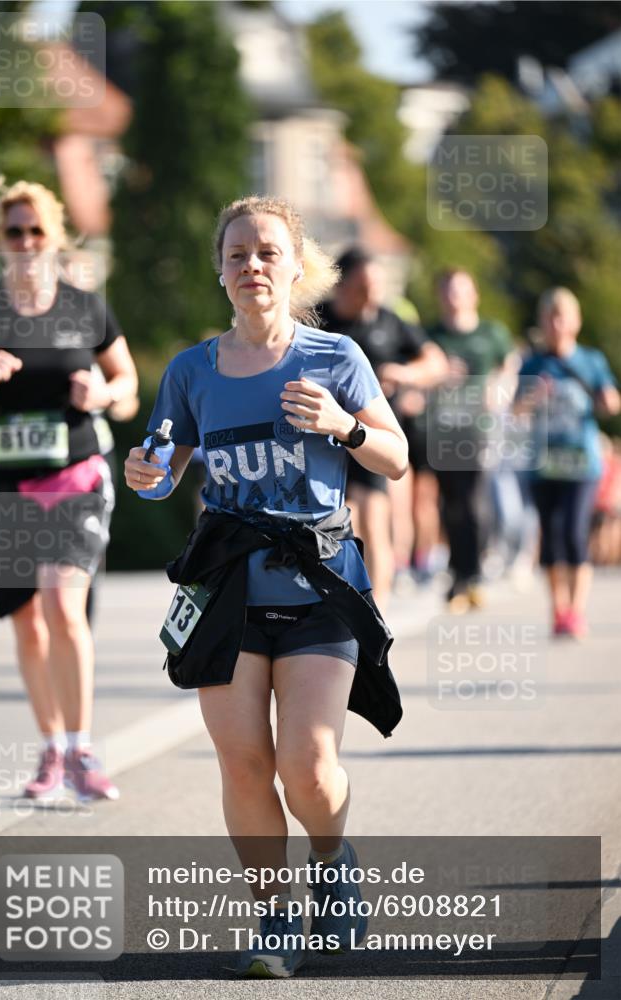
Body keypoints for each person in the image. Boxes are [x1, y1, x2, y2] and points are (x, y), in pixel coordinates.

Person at [125, 197, 408, 978]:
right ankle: (276, 918)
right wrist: (144, 472)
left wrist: (343, 427)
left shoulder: (335, 359)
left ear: (294, 266)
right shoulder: (192, 370)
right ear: (220, 271)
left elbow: (395, 457)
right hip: (226, 589)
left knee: (308, 766)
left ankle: (331, 856)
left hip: (320, 582)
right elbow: (159, 469)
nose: (253, 265)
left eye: (267, 252)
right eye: (238, 254)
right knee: (245, 765)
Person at [0, 180, 138, 800]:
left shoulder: (86, 308)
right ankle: (53, 750)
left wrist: (104, 395)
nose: (27, 241)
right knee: (30, 624)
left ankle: (82, 749)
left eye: (37, 230)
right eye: (15, 231)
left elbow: (128, 382)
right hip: (1, 486)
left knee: (63, 604)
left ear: (54, 237)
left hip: (75, 477)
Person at [318, 248, 446, 610]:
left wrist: (405, 374)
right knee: (339, 522)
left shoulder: (389, 321)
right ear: (341, 285)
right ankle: (335, 603)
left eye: (377, 285)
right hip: (323, 438)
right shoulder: (318, 320)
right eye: (363, 286)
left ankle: (378, 609)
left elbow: (435, 362)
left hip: (370, 437)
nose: (372, 294)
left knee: (375, 521)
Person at [515, 288, 619, 637]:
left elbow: (611, 404)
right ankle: (558, 609)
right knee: (552, 537)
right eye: (551, 317)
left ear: (575, 322)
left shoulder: (591, 360)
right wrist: (533, 396)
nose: (557, 324)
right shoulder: (533, 364)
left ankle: (576, 611)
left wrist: (606, 398)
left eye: (563, 317)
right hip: (544, 465)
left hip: (582, 463)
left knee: (575, 532)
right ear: (543, 322)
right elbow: (515, 411)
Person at [427, 268, 515, 612]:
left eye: (461, 290)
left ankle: (473, 573)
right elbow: (420, 367)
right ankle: (458, 572)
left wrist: (500, 390)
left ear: (474, 295)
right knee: (449, 504)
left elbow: (509, 365)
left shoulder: (491, 333)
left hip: (479, 429)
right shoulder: (432, 336)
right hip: (442, 429)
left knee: (475, 499)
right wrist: (436, 376)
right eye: (448, 290)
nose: (454, 297)